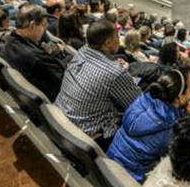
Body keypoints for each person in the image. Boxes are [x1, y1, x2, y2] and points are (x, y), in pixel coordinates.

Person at [56, 20, 142, 150]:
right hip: (89, 136)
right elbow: (137, 105)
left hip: (63, 120)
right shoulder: (115, 72)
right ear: (107, 43)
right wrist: (124, 75)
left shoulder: (82, 51)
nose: (120, 39)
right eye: (117, 36)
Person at [106, 62, 190, 182]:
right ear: (180, 97)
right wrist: (188, 116)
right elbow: (179, 156)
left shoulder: (140, 100)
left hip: (108, 164)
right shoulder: (171, 127)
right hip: (129, 181)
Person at [0, 4, 68, 101]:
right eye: (43, 25)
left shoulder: (9, 41)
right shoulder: (37, 58)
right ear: (32, 25)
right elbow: (64, 83)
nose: (45, 30)